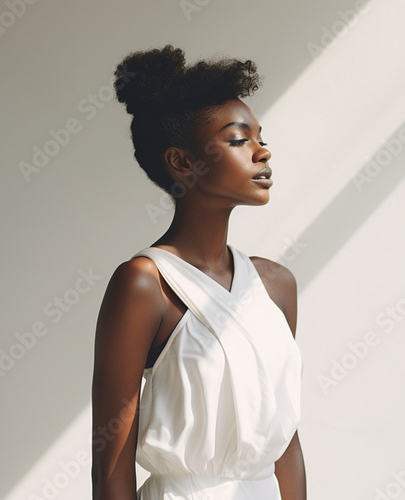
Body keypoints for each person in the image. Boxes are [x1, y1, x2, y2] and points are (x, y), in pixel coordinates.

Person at [91, 44, 306, 500]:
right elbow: (110, 462)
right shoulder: (144, 284)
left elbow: (284, 439)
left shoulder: (276, 285)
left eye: (260, 138)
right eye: (238, 139)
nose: (262, 153)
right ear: (182, 162)